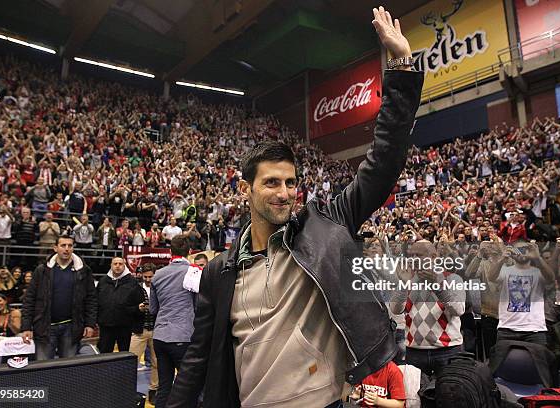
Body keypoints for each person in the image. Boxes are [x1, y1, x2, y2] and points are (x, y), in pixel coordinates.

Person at [166, 7, 423, 407]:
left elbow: (384, 164)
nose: (284, 193)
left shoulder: (322, 227)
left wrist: (402, 68)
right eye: (271, 182)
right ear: (244, 189)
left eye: (290, 182)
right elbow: (197, 361)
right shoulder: (220, 274)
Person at [389, 241, 465, 375]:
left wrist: (437, 285)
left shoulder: (453, 278)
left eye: (418, 255)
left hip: (447, 350)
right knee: (415, 395)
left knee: (448, 394)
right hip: (414, 351)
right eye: (411, 256)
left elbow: (458, 310)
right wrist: (402, 284)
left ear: (434, 257)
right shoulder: (407, 279)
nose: (413, 260)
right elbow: (395, 310)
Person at [21, 235, 97, 360]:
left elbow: (91, 298)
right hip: (45, 328)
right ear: (55, 248)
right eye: (63, 245)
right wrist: (26, 327)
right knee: (42, 369)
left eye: (70, 246)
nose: (67, 249)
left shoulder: (84, 271)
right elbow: (29, 298)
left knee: (67, 370)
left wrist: (90, 324)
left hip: (71, 328)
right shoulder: (42, 270)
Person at [150, 235, 198, 408]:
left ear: (170, 251)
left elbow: (153, 309)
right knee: (188, 387)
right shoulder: (193, 272)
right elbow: (199, 306)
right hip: (182, 337)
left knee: (164, 386)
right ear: (190, 252)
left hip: (160, 336)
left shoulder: (158, 275)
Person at [486, 240, 554, 346]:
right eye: (518, 250)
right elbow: (491, 277)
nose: (521, 253)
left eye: (525, 249)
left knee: (538, 361)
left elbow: (551, 278)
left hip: (535, 329)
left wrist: (537, 258)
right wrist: (502, 259)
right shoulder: (505, 270)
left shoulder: (539, 272)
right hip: (507, 328)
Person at [96, 257, 144, 353]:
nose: (117, 266)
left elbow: (139, 305)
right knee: (104, 355)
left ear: (124, 265)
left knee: (124, 355)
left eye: (120, 264)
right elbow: (96, 301)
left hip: (125, 326)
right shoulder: (103, 281)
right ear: (111, 265)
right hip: (106, 325)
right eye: (115, 264)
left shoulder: (132, 282)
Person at [130, 263, 158, 405]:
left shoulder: (160, 286)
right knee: (131, 361)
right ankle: (129, 390)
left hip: (156, 329)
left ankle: (153, 390)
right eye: (145, 277)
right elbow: (127, 307)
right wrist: (138, 308)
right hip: (139, 330)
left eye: (150, 277)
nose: (148, 279)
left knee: (156, 362)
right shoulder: (135, 288)